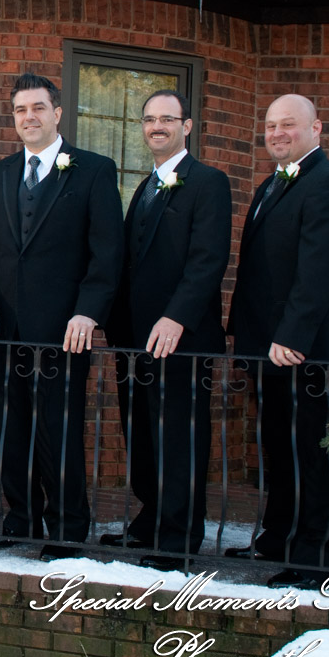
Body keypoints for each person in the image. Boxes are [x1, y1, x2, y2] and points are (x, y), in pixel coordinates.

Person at [0, 72, 122, 561]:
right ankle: (20, 519)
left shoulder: (94, 170)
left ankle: (66, 528)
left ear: (57, 113)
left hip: (64, 331)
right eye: (20, 110)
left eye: (38, 108)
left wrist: (88, 313)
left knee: (59, 427)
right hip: (4, 327)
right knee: (12, 426)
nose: (28, 117)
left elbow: (107, 253)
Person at [228, 93, 329, 589]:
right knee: (280, 448)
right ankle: (280, 536)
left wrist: (291, 336)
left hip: (312, 353)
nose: (278, 133)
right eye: (270, 125)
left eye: (289, 124)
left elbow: (322, 271)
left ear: (316, 129)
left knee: (315, 452)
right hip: (271, 351)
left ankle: (318, 555)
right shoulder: (273, 184)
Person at [104, 89, 231, 570]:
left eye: (167, 119)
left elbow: (208, 259)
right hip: (135, 341)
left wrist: (177, 316)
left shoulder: (208, 182)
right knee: (142, 435)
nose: (157, 126)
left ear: (188, 126)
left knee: (179, 437)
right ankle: (151, 521)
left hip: (183, 341)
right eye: (149, 120)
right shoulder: (144, 186)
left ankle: (178, 538)